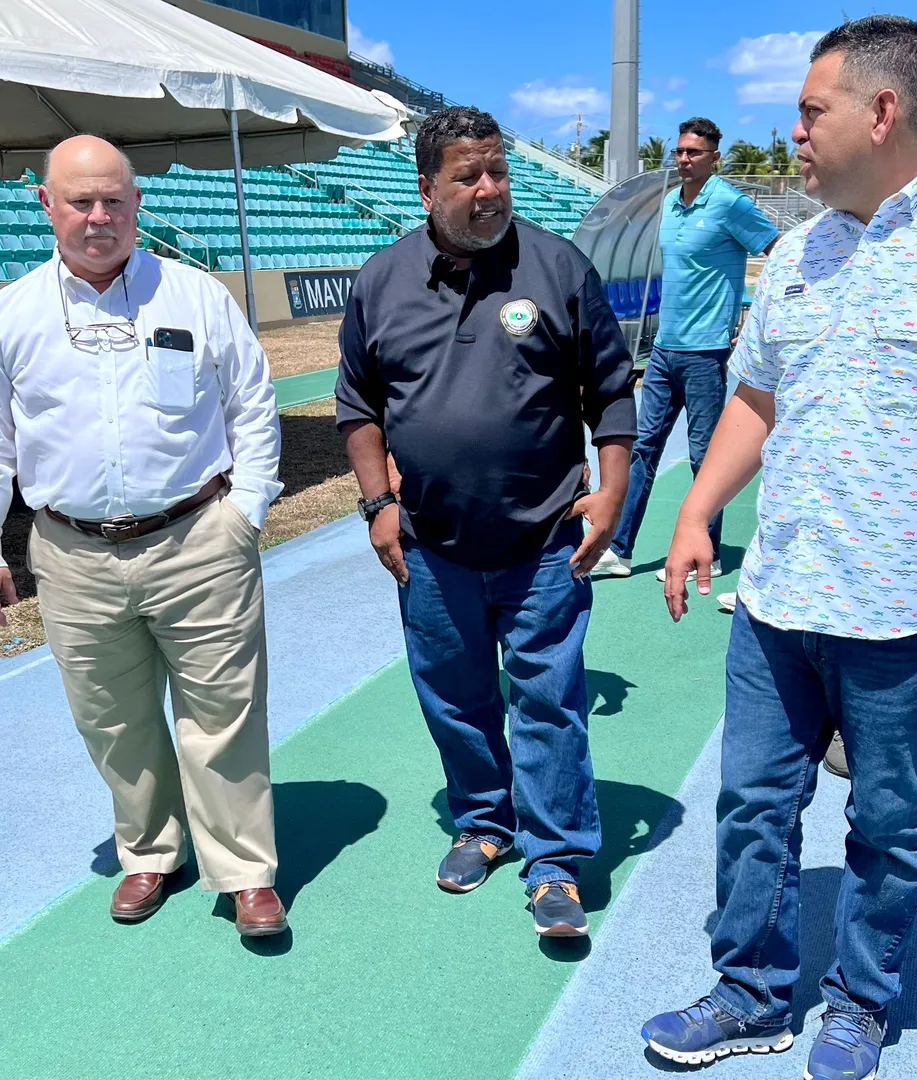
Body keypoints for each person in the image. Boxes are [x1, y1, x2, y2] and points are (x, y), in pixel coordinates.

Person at [641, 17, 917, 1080]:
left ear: (880, 114)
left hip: (909, 618)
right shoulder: (795, 250)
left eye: (808, 110)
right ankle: (750, 992)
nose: (789, 133)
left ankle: (859, 1002)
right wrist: (695, 514)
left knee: (886, 825)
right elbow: (755, 395)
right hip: (779, 600)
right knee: (750, 809)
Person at [336, 106, 635, 939]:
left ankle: (554, 860)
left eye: (497, 171)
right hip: (429, 546)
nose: (489, 189)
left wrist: (610, 493)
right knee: (457, 701)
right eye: (467, 176)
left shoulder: (558, 267)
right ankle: (483, 822)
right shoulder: (380, 279)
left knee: (547, 702)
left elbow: (610, 391)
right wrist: (377, 504)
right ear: (426, 185)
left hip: (544, 540)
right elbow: (357, 406)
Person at [0, 136, 287, 936]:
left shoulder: (195, 296)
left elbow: (253, 405)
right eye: (80, 201)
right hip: (70, 552)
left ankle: (244, 870)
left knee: (223, 711)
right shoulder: (13, 312)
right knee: (112, 719)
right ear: (46, 205)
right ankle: (150, 852)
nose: (98, 217)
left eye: (113, 201)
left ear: (137, 204)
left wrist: (248, 511)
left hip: (197, 538)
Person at [593, 117, 777, 582]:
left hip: (705, 353)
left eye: (694, 152)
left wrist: (755, 318)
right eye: (679, 151)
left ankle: (708, 552)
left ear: (714, 157)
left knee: (704, 455)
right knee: (641, 449)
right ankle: (619, 549)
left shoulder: (730, 204)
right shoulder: (671, 204)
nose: (683, 159)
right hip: (663, 352)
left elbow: (780, 251)